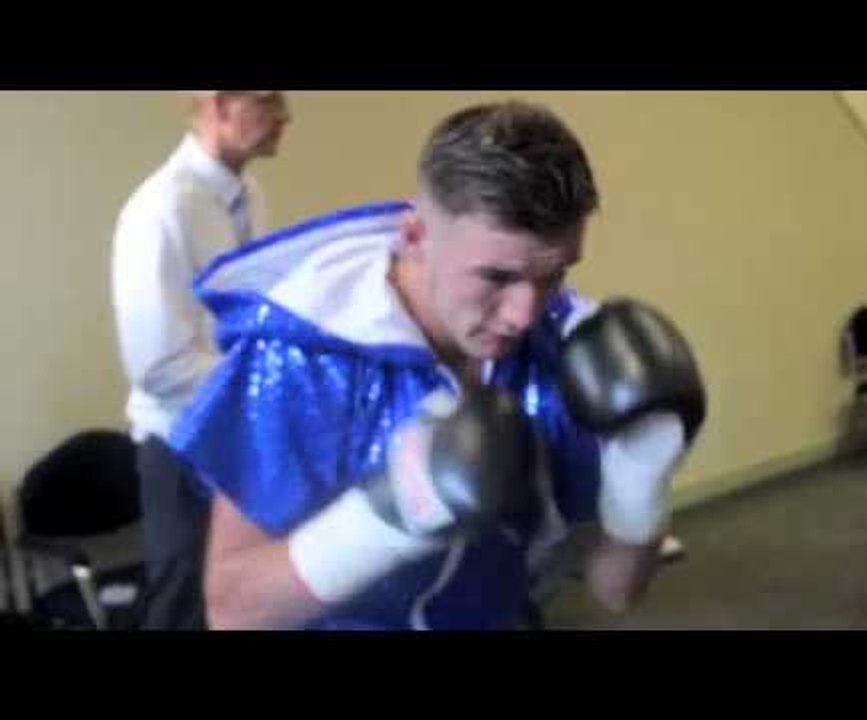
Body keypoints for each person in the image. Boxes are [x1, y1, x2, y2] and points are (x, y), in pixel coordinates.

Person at [169, 100, 707, 630]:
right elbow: (233, 610)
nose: (524, 315)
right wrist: (385, 518)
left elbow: (616, 592)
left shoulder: (559, 345)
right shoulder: (302, 357)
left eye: (553, 275)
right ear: (415, 237)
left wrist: (639, 478)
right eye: (496, 277)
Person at [110, 90, 291, 629]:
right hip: (180, 444)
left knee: (244, 599)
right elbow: (159, 367)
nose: (285, 116)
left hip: (235, 436)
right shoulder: (161, 208)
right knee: (184, 608)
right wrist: (269, 383)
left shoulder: (247, 194)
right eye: (268, 100)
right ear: (217, 103)